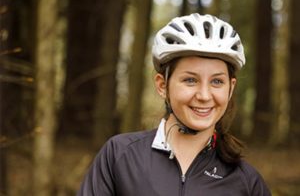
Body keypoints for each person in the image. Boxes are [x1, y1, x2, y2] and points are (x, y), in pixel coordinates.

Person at [77, 13, 271, 196]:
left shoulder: (246, 182)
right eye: (190, 80)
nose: (204, 95)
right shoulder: (120, 156)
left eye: (217, 81)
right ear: (162, 85)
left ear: (230, 88)